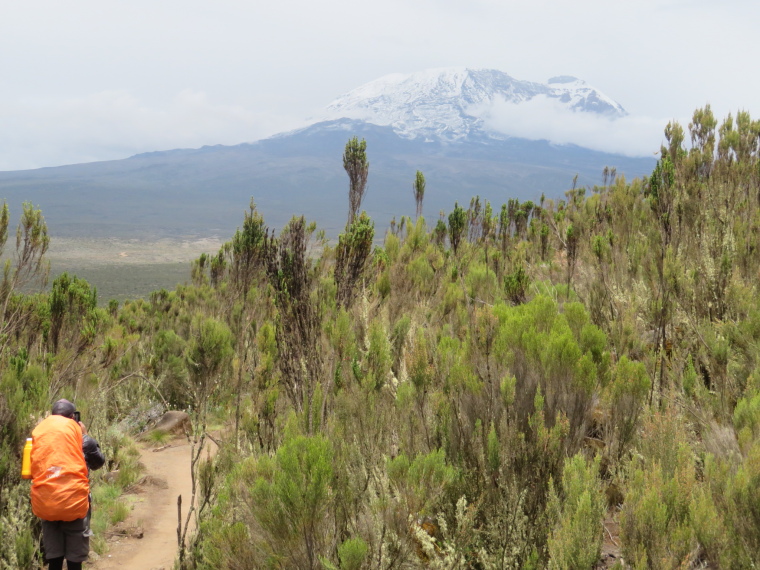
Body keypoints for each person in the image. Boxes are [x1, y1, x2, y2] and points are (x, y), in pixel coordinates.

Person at [31, 399, 105, 570]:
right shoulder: (79, 436)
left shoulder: (40, 432)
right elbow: (97, 463)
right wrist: (85, 435)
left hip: (46, 502)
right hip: (74, 503)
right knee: (74, 559)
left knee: (54, 558)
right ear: (73, 417)